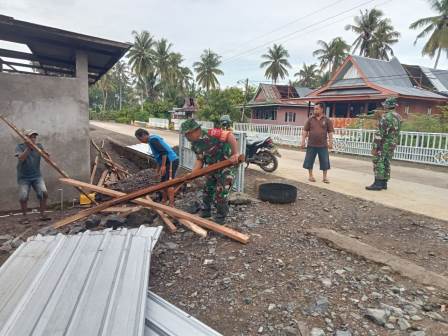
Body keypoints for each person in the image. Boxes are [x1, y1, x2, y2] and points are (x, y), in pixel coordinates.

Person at [181, 119, 240, 224]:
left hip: (227, 166)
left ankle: (220, 217)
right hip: (212, 167)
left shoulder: (211, 133)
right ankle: (206, 211)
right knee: (207, 189)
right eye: (185, 135)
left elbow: (229, 136)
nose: (187, 137)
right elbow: (200, 160)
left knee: (221, 192)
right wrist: (192, 174)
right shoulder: (195, 145)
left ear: (196, 130)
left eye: (188, 134)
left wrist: (235, 154)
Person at [366, 97, 402, 191]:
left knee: (378, 161)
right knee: (386, 161)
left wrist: (375, 147)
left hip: (383, 143)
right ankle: (384, 183)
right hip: (392, 143)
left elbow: (380, 133)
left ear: (387, 106)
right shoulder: (398, 116)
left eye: (385, 105)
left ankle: (378, 183)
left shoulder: (386, 117)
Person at [135, 128, 179, 204]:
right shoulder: (151, 141)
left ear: (143, 135)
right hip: (166, 162)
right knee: (162, 183)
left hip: (171, 161)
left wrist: (163, 166)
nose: (140, 141)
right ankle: (164, 200)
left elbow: (164, 153)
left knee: (169, 183)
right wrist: (158, 170)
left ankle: (171, 204)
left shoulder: (153, 140)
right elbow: (159, 157)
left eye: (140, 139)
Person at [15, 130, 50, 223]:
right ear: (25, 138)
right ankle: (25, 217)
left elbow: (46, 156)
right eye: (31, 137)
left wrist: (46, 155)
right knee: (23, 196)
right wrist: (29, 148)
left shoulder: (39, 146)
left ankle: (43, 215)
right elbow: (21, 158)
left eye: (34, 137)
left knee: (43, 193)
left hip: (36, 176)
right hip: (24, 177)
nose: (33, 139)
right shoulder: (20, 147)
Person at [301, 103, 334, 183]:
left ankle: (325, 177)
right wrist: (303, 141)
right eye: (314, 109)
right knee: (309, 160)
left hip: (323, 145)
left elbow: (330, 132)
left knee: (325, 161)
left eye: (317, 109)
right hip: (311, 144)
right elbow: (305, 130)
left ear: (322, 109)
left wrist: (330, 142)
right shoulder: (310, 119)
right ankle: (310, 176)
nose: (315, 110)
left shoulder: (327, 120)